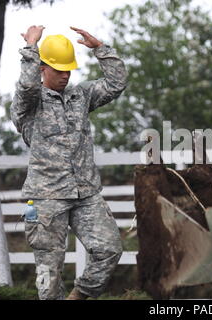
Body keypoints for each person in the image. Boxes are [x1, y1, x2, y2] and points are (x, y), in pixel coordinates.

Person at [10, 25, 128, 300]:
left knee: (109, 250)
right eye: (58, 70)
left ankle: (78, 296)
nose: (65, 75)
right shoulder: (27, 103)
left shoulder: (80, 96)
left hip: (85, 194)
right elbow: (27, 85)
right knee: (49, 274)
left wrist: (101, 49)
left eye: (68, 70)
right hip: (47, 198)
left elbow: (116, 84)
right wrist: (31, 47)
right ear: (42, 68)